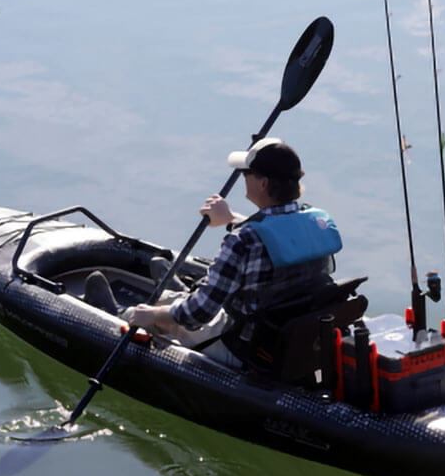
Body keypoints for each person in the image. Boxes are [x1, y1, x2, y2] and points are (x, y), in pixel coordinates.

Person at [127, 137, 342, 367]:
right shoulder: (313, 223)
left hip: (241, 347)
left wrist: (152, 316)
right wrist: (231, 219)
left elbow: (198, 314)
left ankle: (119, 311)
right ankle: (175, 293)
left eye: (246, 173)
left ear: (263, 184)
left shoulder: (242, 241)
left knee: (153, 315)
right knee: (186, 301)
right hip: (288, 339)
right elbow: (276, 232)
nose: (243, 178)